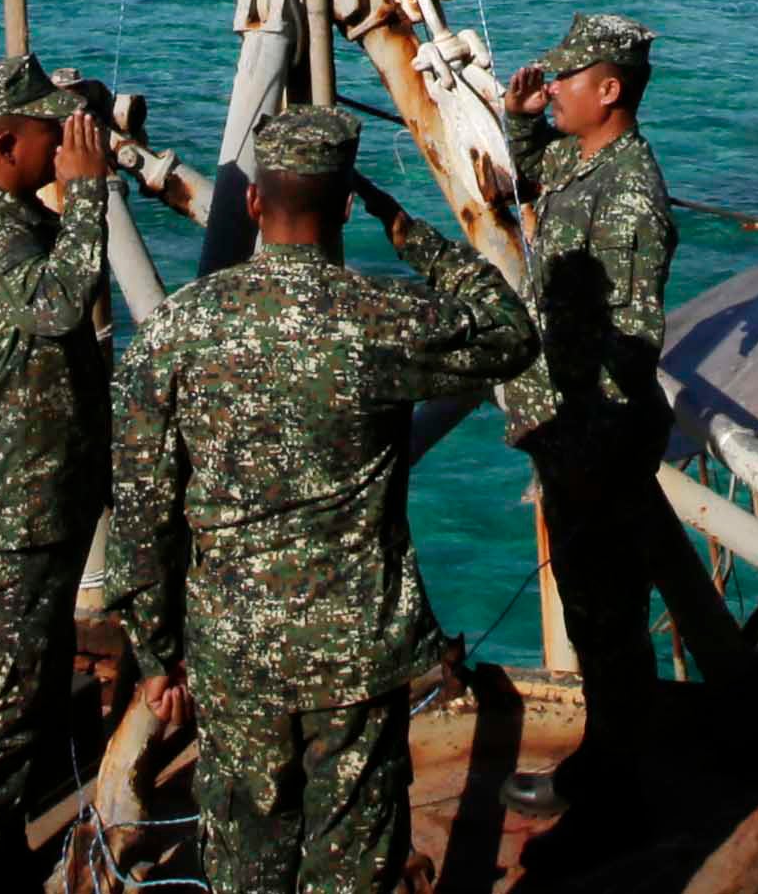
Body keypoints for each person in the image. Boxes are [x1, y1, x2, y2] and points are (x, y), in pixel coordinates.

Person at [104, 104, 536, 894]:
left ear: (251, 203)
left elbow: (141, 510)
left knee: (243, 862)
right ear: (344, 206)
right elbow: (511, 331)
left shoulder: (175, 330)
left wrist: (157, 654)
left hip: (233, 651)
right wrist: (412, 236)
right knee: (354, 861)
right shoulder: (379, 320)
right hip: (356, 650)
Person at [0, 51, 120, 894]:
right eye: (53, 134)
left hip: (43, 489)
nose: (64, 147)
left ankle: (1, 834)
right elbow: (53, 306)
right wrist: (86, 195)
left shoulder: (14, 218)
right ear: (8, 142)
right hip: (13, 505)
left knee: (27, 681)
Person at [495, 11, 677, 822]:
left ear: (610, 90)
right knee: (589, 608)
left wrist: (585, 448)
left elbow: (632, 342)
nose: (552, 86)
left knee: (606, 622)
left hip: (594, 436)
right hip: (568, 429)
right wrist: (518, 120)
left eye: (565, 79)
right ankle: (612, 766)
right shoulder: (581, 157)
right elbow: (533, 175)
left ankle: (614, 790)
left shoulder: (630, 194)